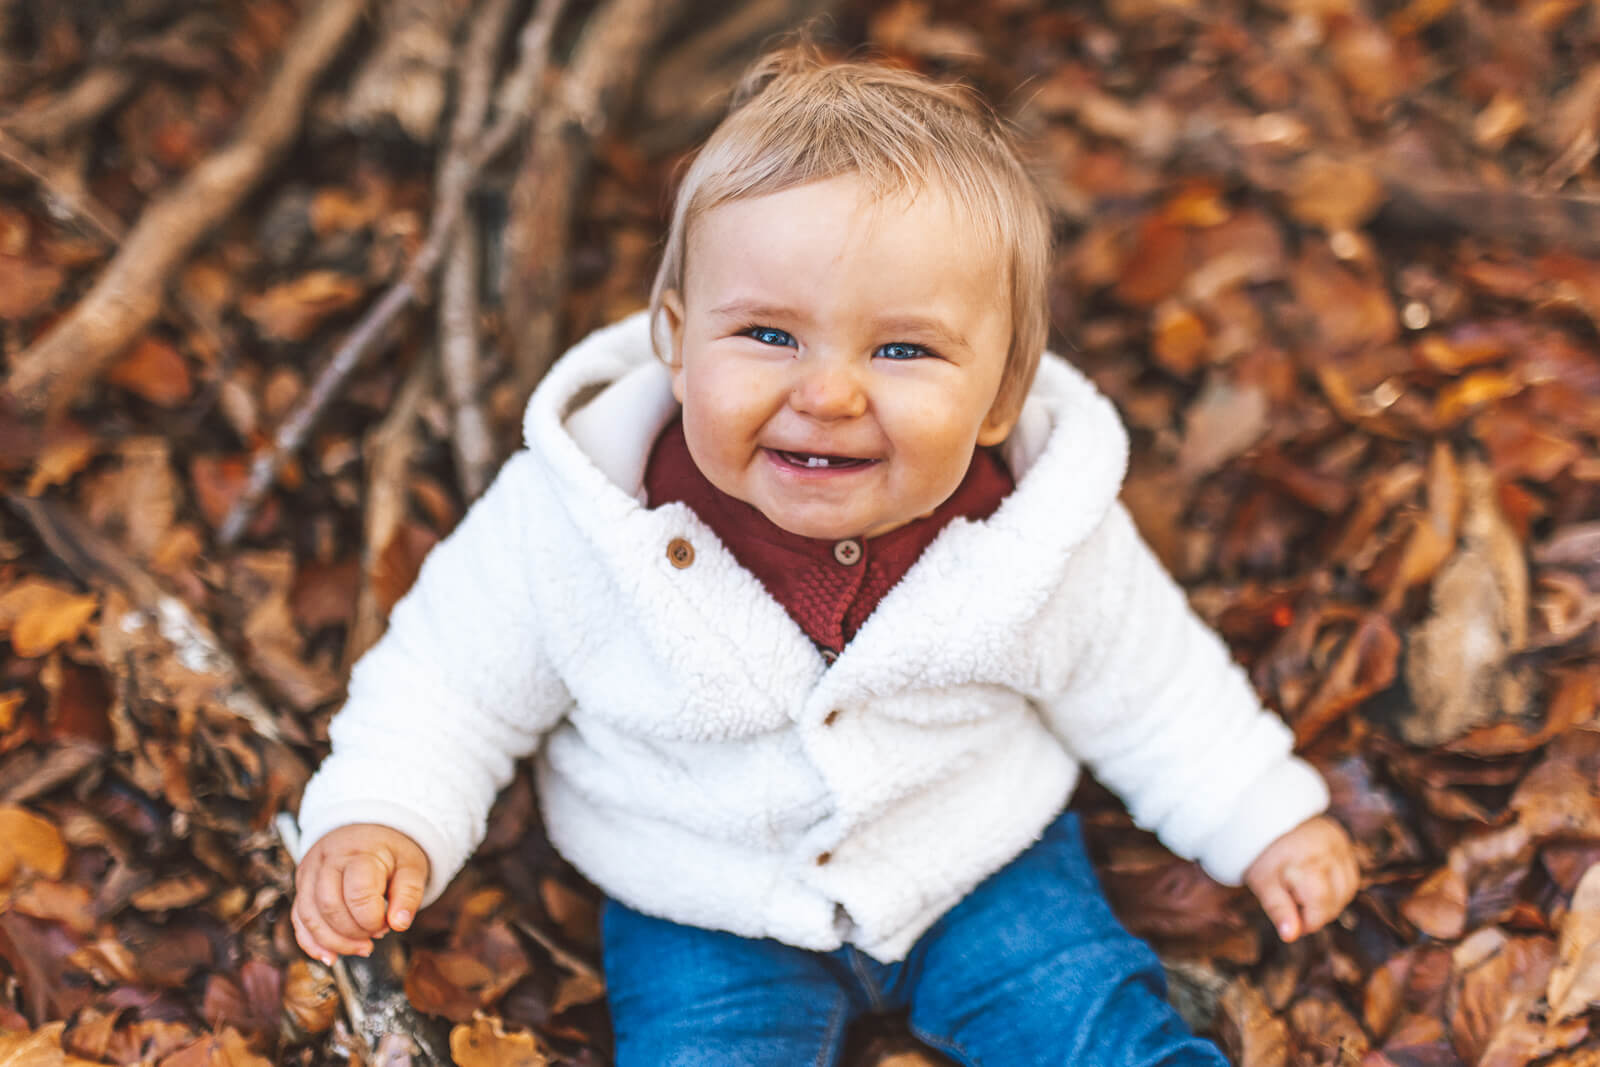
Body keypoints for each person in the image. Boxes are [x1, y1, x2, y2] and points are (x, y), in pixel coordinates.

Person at [291, 46, 1360, 1065]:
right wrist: (385, 814)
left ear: (1000, 394)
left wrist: (1258, 814)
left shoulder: (1037, 529)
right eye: (768, 335)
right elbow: (451, 681)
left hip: (979, 865)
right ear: (675, 339)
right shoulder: (581, 517)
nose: (829, 392)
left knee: (1093, 1027)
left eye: (901, 348)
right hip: (702, 898)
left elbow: (1150, 683)